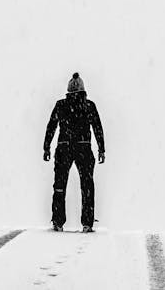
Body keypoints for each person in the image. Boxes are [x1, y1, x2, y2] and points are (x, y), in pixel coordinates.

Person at [43, 72, 105, 233]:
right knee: (87, 185)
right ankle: (87, 222)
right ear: (83, 90)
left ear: (68, 90)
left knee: (59, 186)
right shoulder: (89, 105)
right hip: (83, 147)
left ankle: (58, 221)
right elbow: (97, 127)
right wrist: (101, 149)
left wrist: (46, 147)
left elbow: (51, 126)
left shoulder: (61, 105)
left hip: (64, 147)